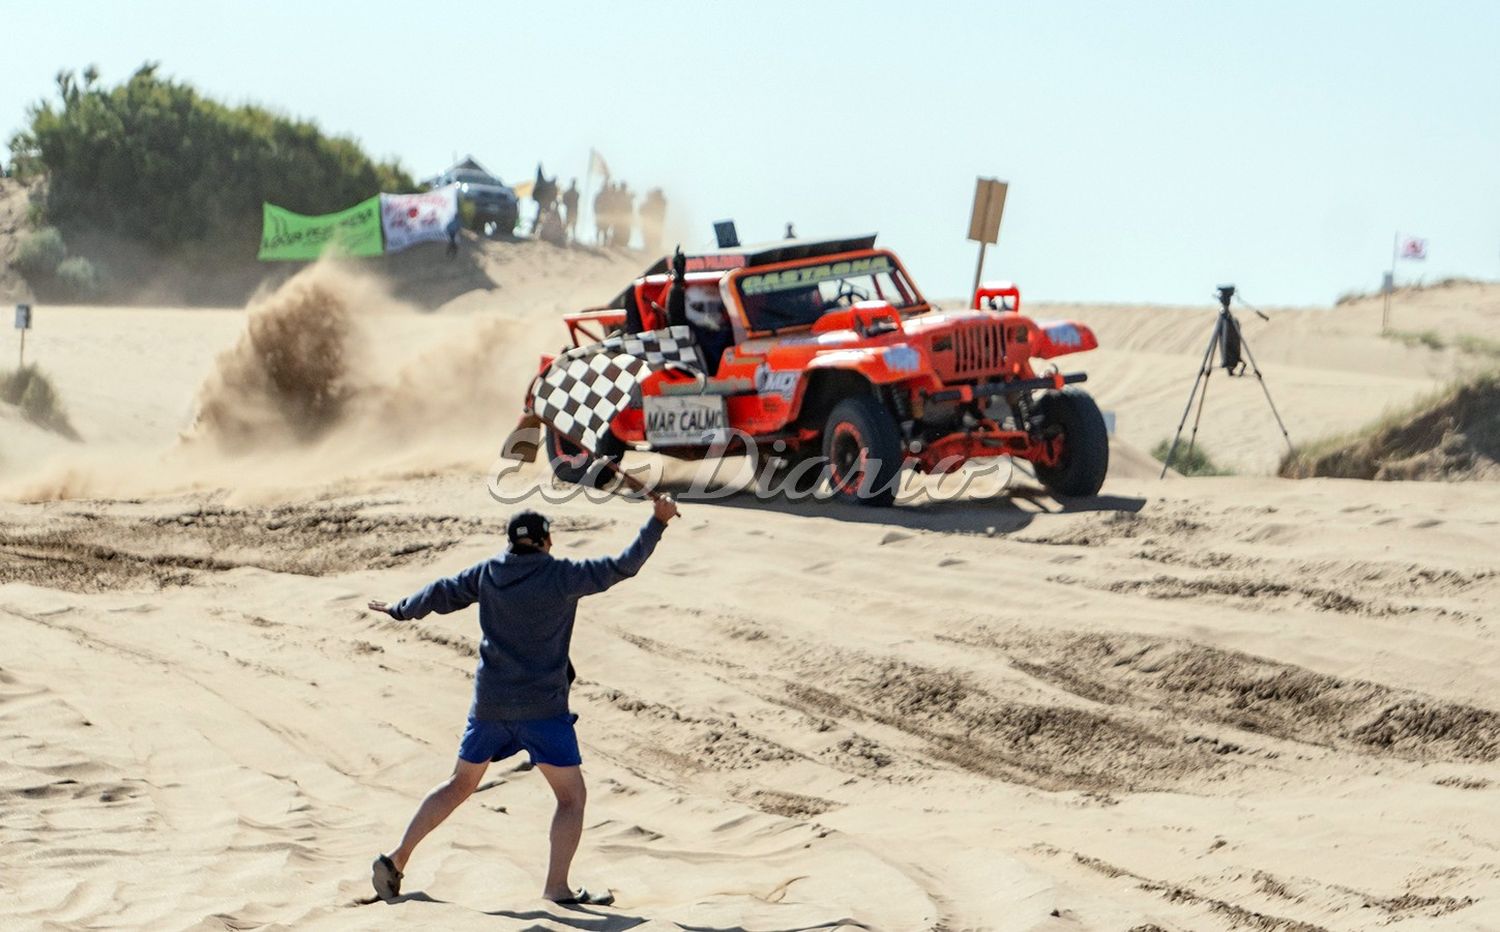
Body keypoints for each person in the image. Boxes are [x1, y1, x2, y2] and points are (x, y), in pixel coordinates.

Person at [367, 495, 679, 906]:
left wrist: (400, 608)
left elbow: (442, 592)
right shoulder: (562, 575)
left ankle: (396, 857)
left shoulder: (488, 572)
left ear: (512, 542)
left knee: (459, 784)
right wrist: (657, 521)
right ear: (546, 540)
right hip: (543, 710)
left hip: (490, 706)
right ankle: (557, 888)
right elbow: (624, 566)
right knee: (571, 798)